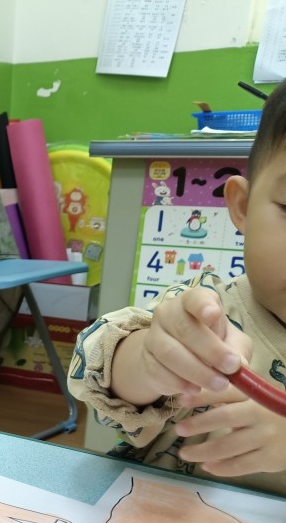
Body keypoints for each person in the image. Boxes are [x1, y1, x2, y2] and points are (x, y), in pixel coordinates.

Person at [67, 80, 286, 496]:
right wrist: (146, 362)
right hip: (149, 521)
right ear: (243, 206)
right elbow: (101, 372)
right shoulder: (212, 309)